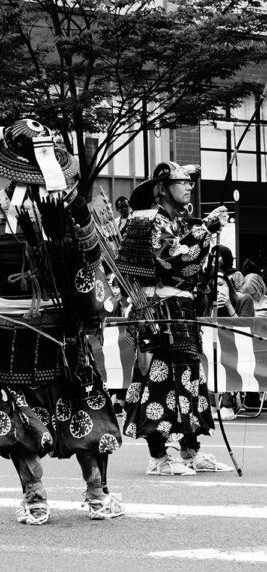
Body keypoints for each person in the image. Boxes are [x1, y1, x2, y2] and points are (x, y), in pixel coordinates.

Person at [0, 118, 123, 524]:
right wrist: (88, 316)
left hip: (10, 332)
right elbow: (89, 265)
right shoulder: (69, 204)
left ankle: (35, 499)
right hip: (64, 329)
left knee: (17, 411)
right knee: (82, 403)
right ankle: (97, 495)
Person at [115, 160, 232, 475]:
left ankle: (190, 451)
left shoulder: (178, 221)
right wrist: (205, 230)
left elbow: (194, 264)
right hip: (160, 309)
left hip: (182, 309)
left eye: (189, 182)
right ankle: (160, 457)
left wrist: (206, 228)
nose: (189, 186)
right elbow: (173, 259)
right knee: (160, 381)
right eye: (182, 182)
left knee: (189, 379)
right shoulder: (153, 221)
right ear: (162, 189)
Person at [210, 271, 254, 421]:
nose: (218, 290)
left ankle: (227, 406)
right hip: (217, 348)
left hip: (242, 348)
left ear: (229, 285)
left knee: (224, 357)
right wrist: (213, 307)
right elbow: (205, 327)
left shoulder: (244, 299)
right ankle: (211, 405)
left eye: (221, 284)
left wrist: (229, 306)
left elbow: (245, 328)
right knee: (209, 355)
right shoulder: (209, 301)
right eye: (214, 286)